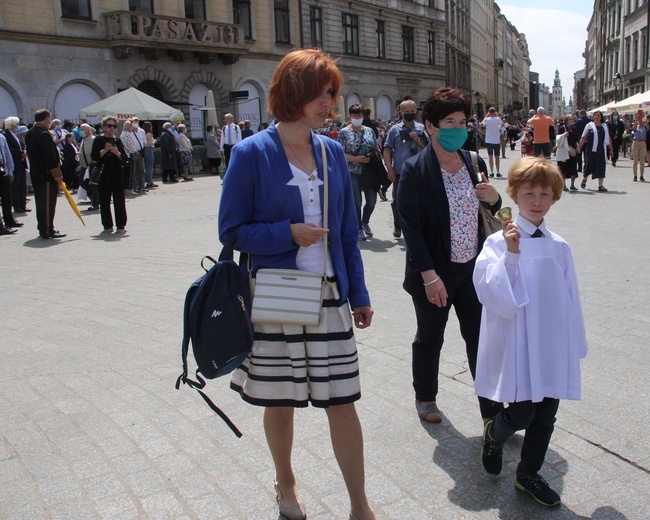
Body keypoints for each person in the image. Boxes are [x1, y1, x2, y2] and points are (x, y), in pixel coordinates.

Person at [218, 49, 376, 520]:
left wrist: (361, 294)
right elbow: (231, 230)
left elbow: (347, 231)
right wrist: (285, 234)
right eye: (317, 92)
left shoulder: (329, 150)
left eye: (330, 92)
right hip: (278, 289)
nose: (327, 101)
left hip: (329, 292)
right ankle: (286, 484)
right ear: (291, 93)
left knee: (342, 399)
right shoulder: (250, 153)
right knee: (281, 398)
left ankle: (359, 505)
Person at [474, 156, 587, 508]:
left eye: (544, 194)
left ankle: (528, 475)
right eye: (528, 193)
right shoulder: (498, 241)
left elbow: (570, 296)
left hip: (549, 344)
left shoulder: (559, 246)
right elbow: (489, 290)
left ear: (554, 197)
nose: (536, 201)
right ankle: (495, 431)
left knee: (546, 415)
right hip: (519, 342)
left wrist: (574, 341)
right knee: (522, 411)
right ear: (514, 195)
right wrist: (511, 254)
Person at [397, 87, 504, 426]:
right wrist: (429, 276)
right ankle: (425, 397)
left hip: (473, 270)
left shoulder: (474, 162)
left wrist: (495, 198)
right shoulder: (416, 170)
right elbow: (410, 228)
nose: (458, 128)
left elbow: (492, 215)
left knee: (480, 341)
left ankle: (491, 414)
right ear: (430, 126)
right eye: (449, 122)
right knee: (430, 337)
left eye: (462, 121)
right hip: (434, 274)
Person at [383, 99, 428, 238]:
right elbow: (387, 149)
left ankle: (416, 226)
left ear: (416, 111)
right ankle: (398, 225)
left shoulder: (422, 128)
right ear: (401, 112)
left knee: (420, 200)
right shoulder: (395, 130)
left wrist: (418, 139)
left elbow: (429, 148)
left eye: (412, 111)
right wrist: (389, 169)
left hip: (419, 171)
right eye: (407, 112)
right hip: (400, 171)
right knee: (397, 200)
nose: (410, 114)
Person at [338, 103, 380, 241]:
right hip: (352, 170)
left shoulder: (369, 131)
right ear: (350, 116)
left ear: (363, 116)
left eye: (359, 115)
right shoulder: (344, 132)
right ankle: (358, 228)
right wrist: (356, 159)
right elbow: (340, 154)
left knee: (372, 201)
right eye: (354, 115)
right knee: (356, 202)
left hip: (369, 171)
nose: (357, 117)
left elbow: (375, 148)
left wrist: (372, 156)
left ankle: (365, 221)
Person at [25, 109, 66, 239]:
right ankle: (48, 229)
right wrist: (57, 174)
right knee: (48, 203)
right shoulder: (44, 134)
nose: (50, 121)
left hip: (36, 173)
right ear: (45, 119)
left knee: (40, 202)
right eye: (49, 118)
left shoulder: (30, 132)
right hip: (46, 174)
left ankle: (42, 226)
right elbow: (49, 156)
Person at [91, 116, 128, 233]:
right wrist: (105, 150)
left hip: (117, 173)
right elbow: (94, 156)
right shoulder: (98, 140)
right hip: (104, 173)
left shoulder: (117, 141)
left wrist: (116, 152)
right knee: (105, 200)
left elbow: (124, 158)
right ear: (103, 127)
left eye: (114, 126)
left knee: (119, 199)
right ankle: (107, 225)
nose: (111, 128)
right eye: (109, 126)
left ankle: (121, 224)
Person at [578, 110, 612, 192]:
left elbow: (608, 138)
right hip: (591, 149)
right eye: (595, 115)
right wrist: (579, 146)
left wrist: (611, 149)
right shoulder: (589, 125)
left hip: (601, 149)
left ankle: (600, 185)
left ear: (601, 117)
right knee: (589, 165)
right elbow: (584, 137)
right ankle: (585, 179)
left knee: (601, 166)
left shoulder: (604, 126)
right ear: (593, 117)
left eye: (598, 115)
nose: (596, 117)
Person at [2, 117, 29, 214]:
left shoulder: (16, 135)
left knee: (22, 185)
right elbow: (9, 150)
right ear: (12, 125)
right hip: (14, 163)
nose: (18, 126)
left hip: (21, 163)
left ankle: (23, 204)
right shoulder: (5, 135)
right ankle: (17, 205)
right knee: (15, 186)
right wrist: (21, 152)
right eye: (16, 124)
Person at [0, 130, 22, 232]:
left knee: (7, 197)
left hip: (3, 171)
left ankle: (9, 220)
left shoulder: (2, 137)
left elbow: (7, 155)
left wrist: (10, 171)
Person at [78, 123, 99, 211]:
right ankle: (95, 199)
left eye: (83, 130)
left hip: (91, 165)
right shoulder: (84, 139)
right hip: (84, 166)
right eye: (80, 130)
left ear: (88, 131)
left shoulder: (93, 139)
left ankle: (96, 203)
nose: (81, 132)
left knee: (93, 185)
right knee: (83, 183)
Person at [556, 115, 579, 191]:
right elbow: (558, 138)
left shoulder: (574, 128)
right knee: (563, 168)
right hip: (564, 150)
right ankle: (564, 185)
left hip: (572, 150)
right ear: (566, 120)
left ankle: (572, 185)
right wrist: (563, 135)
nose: (571, 121)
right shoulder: (562, 128)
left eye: (572, 119)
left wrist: (577, 146)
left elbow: (576, 139)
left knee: (573, 167)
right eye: (569, 119)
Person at [481, 107, 503, 177]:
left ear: (489, 112)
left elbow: (481, 124)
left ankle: (491, 172)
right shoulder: (497, 119)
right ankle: (498, 172)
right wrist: (498, 116)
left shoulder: (487, 120)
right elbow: (502, 124)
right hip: (496, 140)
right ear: (495, 112)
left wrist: (486, 116)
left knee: (490, 156)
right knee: (497, 156)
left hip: (489, 140)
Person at [630, 111, 646, 182]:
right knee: (635, 161)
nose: (639, 118)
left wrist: (643, 117)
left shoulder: (645, 125)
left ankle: (641, 175)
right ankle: (635, 175)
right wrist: (636, 120)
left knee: (642, 161)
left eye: (640, 117)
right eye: (638, 117)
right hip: (636, 142)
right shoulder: (635, 125)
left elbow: (647, 126)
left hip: (642, 143)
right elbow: (634, 128)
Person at [142, 121, 158, 188]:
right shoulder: (148, 134)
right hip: (149, 149)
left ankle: (148, 181)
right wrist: (154, 141)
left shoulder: (143, 133)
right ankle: (149, 182)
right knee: (149, 167)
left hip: (146, 149)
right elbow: (150, 143)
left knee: (147, 166)